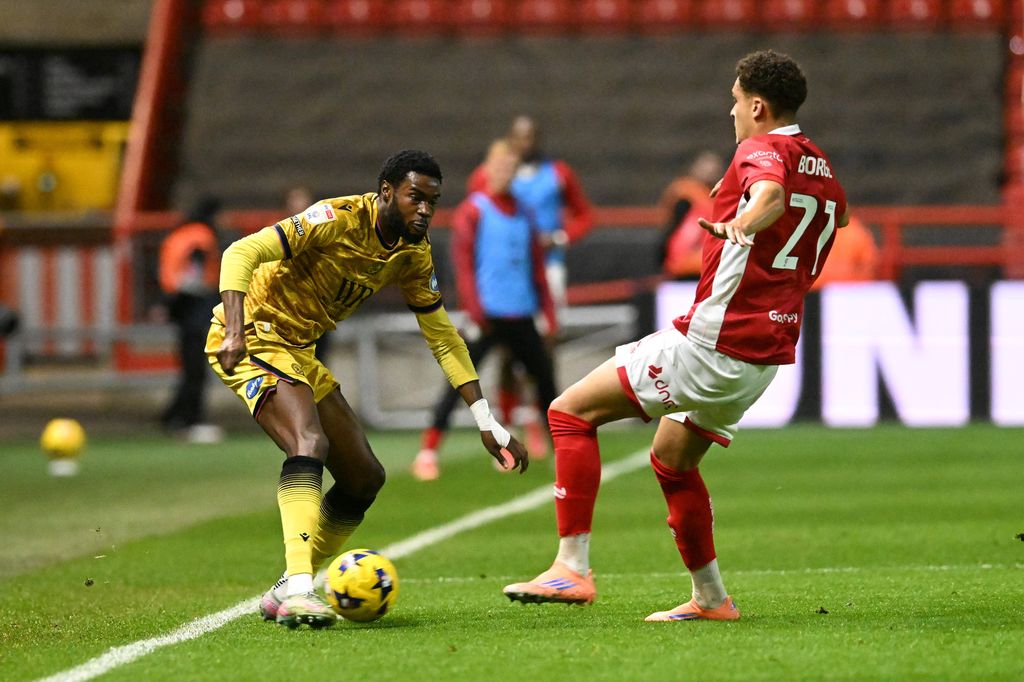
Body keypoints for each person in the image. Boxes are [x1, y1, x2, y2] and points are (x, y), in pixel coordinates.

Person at [503, 50, 848, 622]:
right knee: (671, 459)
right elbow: (810, 222)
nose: (730, 108)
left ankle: (571, 569)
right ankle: (711, 599)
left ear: (757, 105)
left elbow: (770, 195)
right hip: (763, 357)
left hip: (714, 342)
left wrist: (742, 220)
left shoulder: (762, 149)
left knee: (568, 414)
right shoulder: (825, 170)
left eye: (736, 98)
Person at [207, 150, 529, 629]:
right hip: (253, 336)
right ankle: (299, 589)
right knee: (308, 442)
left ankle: (285, 589)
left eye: (432, 202)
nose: (424, 210)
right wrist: (234, 329)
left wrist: (486, 419)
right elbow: (240, 252)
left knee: (364, 477)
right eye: (414, 197)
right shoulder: (336, 219)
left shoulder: (413, 256)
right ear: (386, 193)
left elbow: (443, 338)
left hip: (299, 352)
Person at [412, 140, 558, 481]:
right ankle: (429, 451)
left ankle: (560, 452)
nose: (506, 174)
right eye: (501, 167)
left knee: (547, 385)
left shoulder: (525, 212)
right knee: (459, 381)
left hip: (520, 312)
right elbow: (463, 263)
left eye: (512, 168)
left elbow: (537, 267)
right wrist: (473, 308)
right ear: (488, 170)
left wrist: (547, 311)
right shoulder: (474, 211)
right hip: (487, 314)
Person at [468, 115, 595, 456]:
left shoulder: (558, 173)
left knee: (544, 349)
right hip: (506, 275)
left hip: (547, 269)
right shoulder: (491, 174)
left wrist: (561, 237)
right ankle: (512, 423)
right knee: (507, 353)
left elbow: (584, 216)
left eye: (530, 137)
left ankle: (542, 421)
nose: (525, 143)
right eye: (518, 137)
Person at [158, 195, 225, 443]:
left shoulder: (180, 234)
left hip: (181, 308)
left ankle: (173, 416)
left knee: (189, 367)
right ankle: (188, 420)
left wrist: (168, 304)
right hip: (194, 308)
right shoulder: (202, 236)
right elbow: (193, 273)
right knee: (196, 369)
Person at [659, 151, 725, 281]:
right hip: (683, 268)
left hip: (709, 269)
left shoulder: (722, 196)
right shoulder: (685, 196)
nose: (711, 170)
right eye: (706, 164)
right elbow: (673, 229)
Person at [810, 214, 878, 289]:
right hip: (817, 290)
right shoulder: (808, 229)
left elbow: (868, 267)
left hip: (848, 291)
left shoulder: (856, 231)